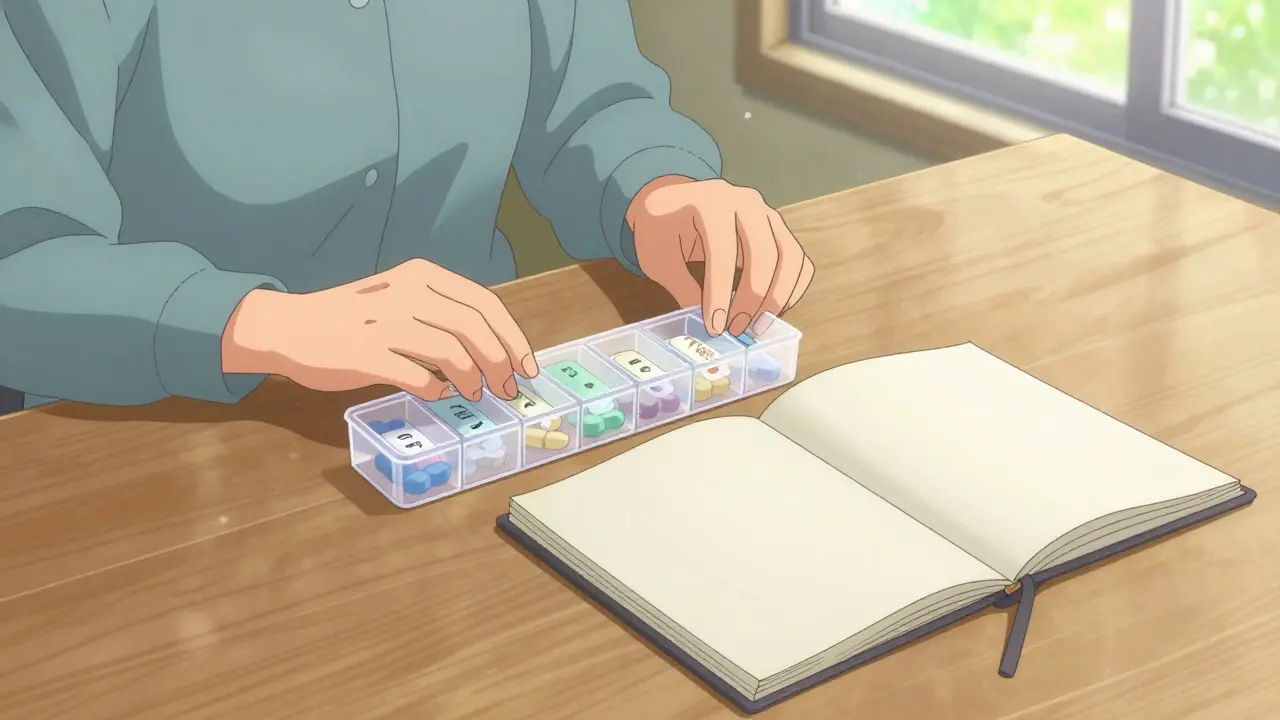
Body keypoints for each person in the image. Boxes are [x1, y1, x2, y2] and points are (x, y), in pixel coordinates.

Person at [0, 0, 813, 413]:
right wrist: (261, 326)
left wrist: (660, 189)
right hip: (160, 446)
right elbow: (19, 255)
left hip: (478, 399)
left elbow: (593, 105)